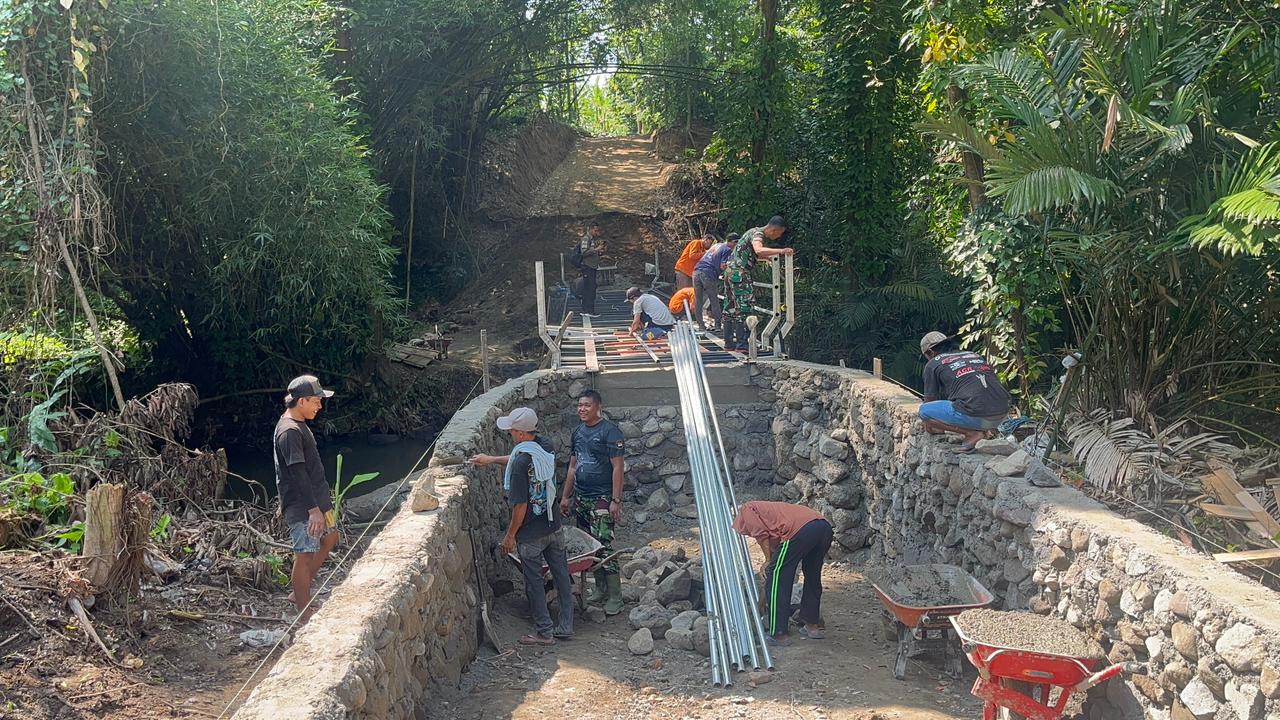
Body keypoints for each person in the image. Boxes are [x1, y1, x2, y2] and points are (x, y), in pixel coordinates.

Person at [471, 408, 573, 645]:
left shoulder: (519, 466)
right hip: (553, 525)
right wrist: (491, 460)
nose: (510, 434)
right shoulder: (545, 446)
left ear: (520, 433)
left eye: (511, 431)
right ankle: (566, 625)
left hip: (531, 534)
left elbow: (520, 507)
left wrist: (510, 536)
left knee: (534, 583)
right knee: (561, 575)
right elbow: (520, 457)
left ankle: (544, 632)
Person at [274, 375, 339, 619]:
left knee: (330, 537)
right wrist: (313, 510)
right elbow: (297, 473)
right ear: (302, 401)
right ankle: (303, 613)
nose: (320, 406)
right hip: (303, 505)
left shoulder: (299, 424)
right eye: (316, 401)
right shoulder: (289, 432)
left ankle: (299, 592)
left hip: (318, 500)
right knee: (304, 554)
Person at [559, 390, 626, 615]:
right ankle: (600, 588)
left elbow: (618, 467)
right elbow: (572, 466)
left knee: (604, 544)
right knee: (589, 544)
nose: (582, 409)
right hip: (581, 497)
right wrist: (565, 496)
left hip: (602, 498)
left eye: (587, 405)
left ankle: (615, 596)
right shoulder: (578, 432)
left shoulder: (610, 432)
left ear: (598, 407)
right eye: (580, 405)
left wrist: (615, 500)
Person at [732, 500, 833, 645]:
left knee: (779, 579)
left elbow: (760, 535)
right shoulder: (774, 517)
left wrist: (767, 560)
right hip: (823, 528)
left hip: (800, 530)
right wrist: (762, 601)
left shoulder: (747, 509)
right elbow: (772, 570)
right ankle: (812, 626)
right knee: (812, 576)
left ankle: (778, 634)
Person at [918, 331, 1012, 453]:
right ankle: (985, 430)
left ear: (930, 352)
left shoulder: (933, 364)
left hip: (979, 417)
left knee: (924, 411)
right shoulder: (974, 355)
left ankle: (972, 433)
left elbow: (929, 401)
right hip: (1003, 414)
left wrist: (930, 426)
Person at [722, 217, 793, 350]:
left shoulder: (751, 231)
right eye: (779, 233)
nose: (778, 237)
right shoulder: (758, 234)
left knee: (730, 307)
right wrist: (782, 251)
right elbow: (758, 249)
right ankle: (742, 345)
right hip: (740, 274)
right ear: (774, 229)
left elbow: (752, 253)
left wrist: (767, 257)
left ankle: (728, 343)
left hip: (730, 271)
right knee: (745, 308)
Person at [692, 233, 737, 330]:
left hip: (696, 271)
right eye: (736, 243)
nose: (736, 246)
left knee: (698, 300)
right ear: (732, 242)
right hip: (708, 273)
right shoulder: (728, 249)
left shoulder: (717, 245)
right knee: (714, 300)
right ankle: (717, 326)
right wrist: (732, 272)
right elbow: (723, 266)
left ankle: (701, 325)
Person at [574, 223, 603, 317]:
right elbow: (584, 252)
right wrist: (596, 249)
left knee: (591, 288)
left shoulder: (592, 239)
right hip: (587, 267)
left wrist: (599, 252)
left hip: (592, 267)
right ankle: (588, 310)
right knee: (589, 288)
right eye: (595, 230)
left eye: (597, 230)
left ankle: (588, 310)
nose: (597, 232)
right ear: (590, 229)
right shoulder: (586, 239)